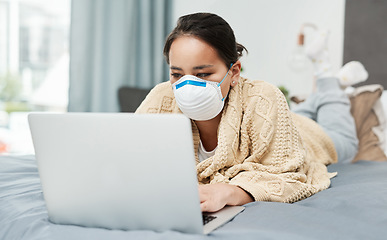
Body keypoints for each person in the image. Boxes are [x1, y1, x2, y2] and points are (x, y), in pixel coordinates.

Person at [135, 13, 361, 213]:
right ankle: (319, 95)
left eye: (203, 74)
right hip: (278, 121)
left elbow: (290, 177)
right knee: (302, 109)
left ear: (234, 72)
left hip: (306, 137)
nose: (187, 86)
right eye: (177, 74)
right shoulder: (161, 100)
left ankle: (327, 75)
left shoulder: (264, 97)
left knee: (346, 141)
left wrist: (230, 192)